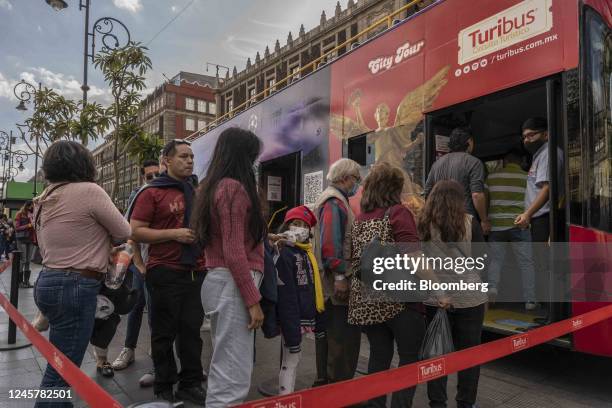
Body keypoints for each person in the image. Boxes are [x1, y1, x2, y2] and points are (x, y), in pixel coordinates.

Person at [33, 141, 131, 408]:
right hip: (75, 285)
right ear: (84, 163)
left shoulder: (44, 197)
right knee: (62, 371)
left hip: (47, 281)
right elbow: (124, 232)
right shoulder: (90, 191)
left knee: (60, 358)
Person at [192, 127, 266, 408]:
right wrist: (253, 300)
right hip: (233, 285)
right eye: (252, 157)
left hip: (223, 282)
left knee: (224, 366)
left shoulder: (216, 187)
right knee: (233, 375)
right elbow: (234, 251)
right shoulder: (233, 189)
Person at [129, 140, 206, 404]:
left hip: (194, 271)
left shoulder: (195, 191)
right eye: (183, 156)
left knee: (191, 332)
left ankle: (191, 383)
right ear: (167, 161)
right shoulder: (151, 192)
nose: (190, 161)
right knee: (163, 333)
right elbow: (136, 231)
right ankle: (164, 386)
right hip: (163, 271)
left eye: (192, 157)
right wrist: (174, 234)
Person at [347, 162, 427, 407]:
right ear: (394, 189)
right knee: (409, 359)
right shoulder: (398, 213)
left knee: (378, 358)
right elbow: (413, 256)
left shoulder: (360, 219)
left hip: (369, 300)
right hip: (401, 301)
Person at [418, 180, 488, 408]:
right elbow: (482, 262)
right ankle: (465, 403)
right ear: (459, 200)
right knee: (469, 356)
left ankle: (437, 403)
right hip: (470, 299)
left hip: (436, 299)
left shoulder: (422, 224)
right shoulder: (469, 223)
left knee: (436, 353)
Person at [312, 158, 362, 385]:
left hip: (328, 284)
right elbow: (331, 248)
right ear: (345, 177)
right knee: (341, 339)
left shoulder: (333, 200)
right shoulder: (335, 202)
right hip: (335, 285)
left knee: (333, 338)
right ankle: (338, 391)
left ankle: (329, 386)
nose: (357, 184)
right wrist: (341, 277)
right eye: (356, 179)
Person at [270, 205, 325, 395]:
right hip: (292, 318)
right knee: (290, 359)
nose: (299, 228)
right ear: (287, 226)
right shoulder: (285, 254)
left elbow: (311, 290)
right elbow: (287, 296)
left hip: (301, 316)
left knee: (294, 358)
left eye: (304, 225)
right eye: (295, 223)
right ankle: (285, 400)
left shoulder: (305, 253)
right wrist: (291, 327)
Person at [111, 159, 160, 373]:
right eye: (150, 176)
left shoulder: (168, 192)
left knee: (158, 309)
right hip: (141, 262)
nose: (154, 179)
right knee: (137, 304)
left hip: (161, 262)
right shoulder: (137, 195)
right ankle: (129, 348)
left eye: (158, 174)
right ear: (143, 178)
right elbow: (129, 232)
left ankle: (158, 354)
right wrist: (139, 264)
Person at [515, 117, 563, 309]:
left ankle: (553, 314)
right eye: (524, 137)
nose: (527, 140)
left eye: (531, 135)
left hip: (545, 218)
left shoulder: (549, 154)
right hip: (539, 219)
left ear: (546, 134)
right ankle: (548, 313)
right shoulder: (539, 154)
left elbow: (547, 189)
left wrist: (527, 214)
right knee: (542, 266)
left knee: (545, 267)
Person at [486, 148, 537, 310]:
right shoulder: (526, 177)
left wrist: (487, 219)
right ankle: (530, 300)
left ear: (505, 162)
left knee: (496, 260)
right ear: (520, 162)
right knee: (526, 263)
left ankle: (492, 288)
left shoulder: (492, 177)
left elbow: (486, 200)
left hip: (497, 225)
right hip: (519, 224)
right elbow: (531, 200)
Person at [424, 127, 490, 235]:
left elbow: (427, 193)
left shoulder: (436, 164)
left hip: (440, 221)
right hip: (465, 222)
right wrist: (484, 220)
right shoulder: (474, 162)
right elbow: (477, 195)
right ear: (469, 141)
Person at [15, 200, 35, 288]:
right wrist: (28, 225)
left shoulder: (32, 214)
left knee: (28, 261)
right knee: (23, 261)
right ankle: (19, 282)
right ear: (27, 206)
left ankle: (26, 281)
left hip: (30, 240)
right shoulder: (19, 214)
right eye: (31, 206)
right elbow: (17, 227)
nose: (33, 207)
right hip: (22, 239)